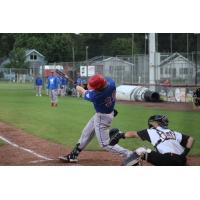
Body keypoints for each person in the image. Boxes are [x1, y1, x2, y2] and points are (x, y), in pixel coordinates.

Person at [59, 74, 132, 163]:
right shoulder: (111, 83)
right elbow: (95, 86)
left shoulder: (96, 96)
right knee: (86, 132)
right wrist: (86, 85)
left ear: (98, 88)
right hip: (108, 112)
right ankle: (73, 155)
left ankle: (130, 155)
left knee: (105, 144)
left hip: (102, 118)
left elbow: (82, 91)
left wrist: (76, 86)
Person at [109, 115, 194, 166]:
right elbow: (191, 139)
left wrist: (120, 135)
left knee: (142, 150)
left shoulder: (151, 131)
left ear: (157, 123)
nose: (152, 123)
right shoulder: (175, 133)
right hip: (181, 161)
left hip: (166, 160)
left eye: (153, 122)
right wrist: (184, 154)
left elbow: (133, 134)